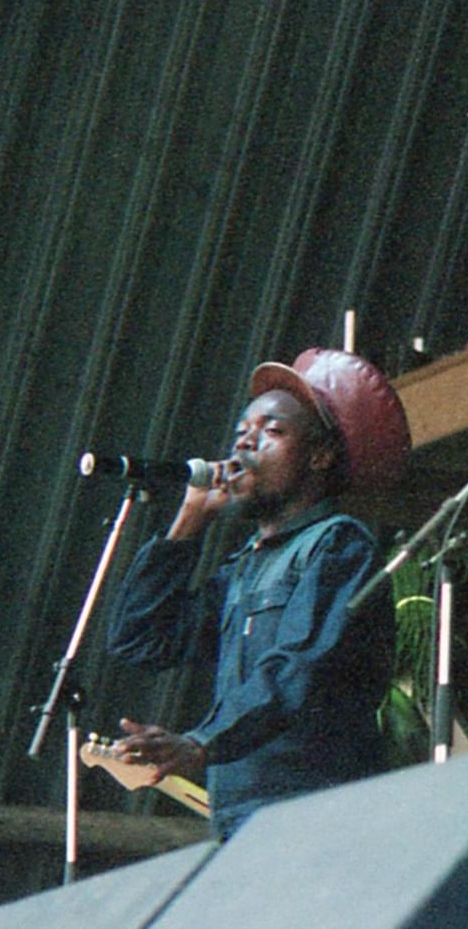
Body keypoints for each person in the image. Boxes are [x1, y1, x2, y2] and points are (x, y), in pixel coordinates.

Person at [105, 347, 411, 837]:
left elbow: (298, 665)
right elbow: (141, 640)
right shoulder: (247, 563)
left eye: (271, 431)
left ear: (319, 457)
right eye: (241, 432)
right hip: (241, 811)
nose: (244, 445)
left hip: (313, 807)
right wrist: (188, 523)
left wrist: (202, 742)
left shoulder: (336, 546)